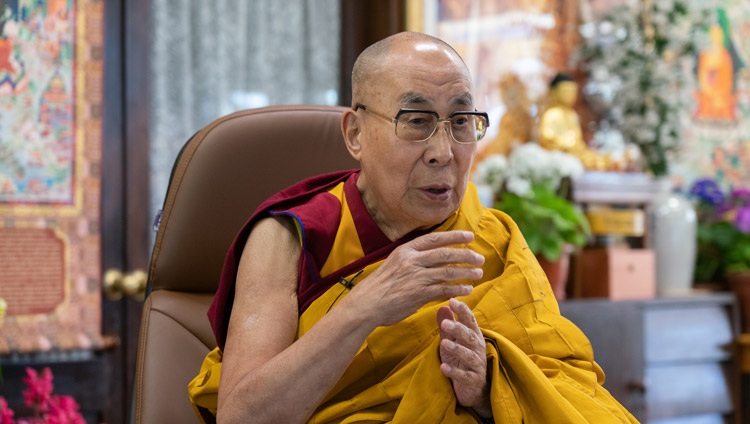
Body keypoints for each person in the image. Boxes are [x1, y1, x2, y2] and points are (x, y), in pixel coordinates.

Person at [188, 32, 636, 423]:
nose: (443, 151)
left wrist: (485, 391)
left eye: (461, 122)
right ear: (356, 134)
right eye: (417, 122)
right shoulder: (292, 237)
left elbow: (569, 386)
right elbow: (243, 416)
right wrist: (362, 310)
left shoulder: (492, 239)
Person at [538, 72, 613, 171]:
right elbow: (549, 139)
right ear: (554, 92)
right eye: (565, 91)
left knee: (594, 157)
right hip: (562, 154)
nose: (569, 95)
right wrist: (568, 145)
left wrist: (578, 148)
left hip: (575, 152)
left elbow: (577, 140)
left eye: (572, 92)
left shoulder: (572, 115)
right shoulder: (552, 114)